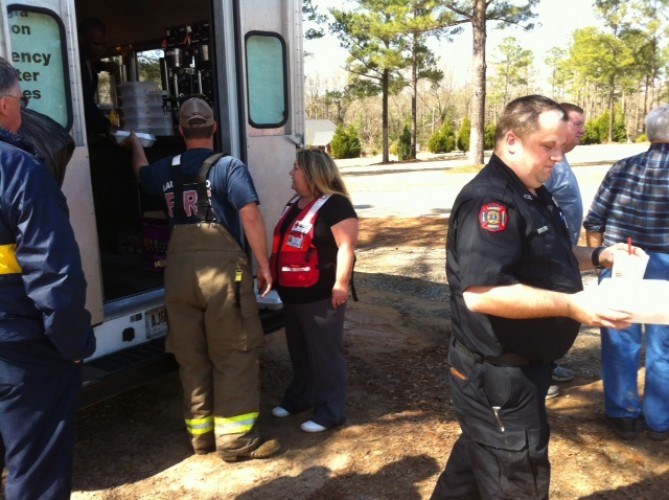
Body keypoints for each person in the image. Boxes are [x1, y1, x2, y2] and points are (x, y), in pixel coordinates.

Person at [431, 94, 641, 499]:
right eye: (548, 146)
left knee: (474, 468)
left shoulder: (532, 191)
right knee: (517, 479)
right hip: (497, 377)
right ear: (512, 141)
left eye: (562, 146)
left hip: (516, 374)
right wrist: (573, 306)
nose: (558, 157)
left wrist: (599, 255)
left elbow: (548, 258)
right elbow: (482, 293)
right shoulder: (492, 202)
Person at [126, 97, 279, 461]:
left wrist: (134, 144)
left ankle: (201, 438)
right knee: (233, 352)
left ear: (180, 131)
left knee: (191, 356)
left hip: (178, 271)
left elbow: (140, 172)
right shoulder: (229, 166)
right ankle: (236, 442)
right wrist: (264, 265)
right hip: (224, 271)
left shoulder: (163, 168)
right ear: (214, 128)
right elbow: (250, 215)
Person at [0, 57, 96, 498]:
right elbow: (55, 274)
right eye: (23, 99)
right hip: (22, 352)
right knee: (36, 473)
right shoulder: (19, 170)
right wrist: (74, 346)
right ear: (4, 106)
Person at [583, 104, 669, 442]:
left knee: (620, 340)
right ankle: (661, 420)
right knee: (666, 348)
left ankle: (623, 416)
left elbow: (595, 221)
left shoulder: (622, 168)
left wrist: (600, 267)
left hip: (623, 263)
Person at [270, 149, 358, 433]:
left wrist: (340, 284)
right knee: (299, 352)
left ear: (311, 173)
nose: (291, 173)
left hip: (320, 296)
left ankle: (331, 412)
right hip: (292, 295)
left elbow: (347, 247)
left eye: (296, 168)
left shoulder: (336, 205)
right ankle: (299, 398)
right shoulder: (295, 203)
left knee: (325, 355)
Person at [544, 103, 587, 397]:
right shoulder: (548, 163)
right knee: (544, 312)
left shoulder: (561, 160)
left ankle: (548, 363)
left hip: (563, 252)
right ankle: (541, 373)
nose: (582, 131)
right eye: (577, 124)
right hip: (547, 254)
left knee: (552, 318)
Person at [78, 17, 118, 136]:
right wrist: (106, 126)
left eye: (104, 45)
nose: (101, 49)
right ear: (80, 40)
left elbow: (89, 64)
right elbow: (86, 104)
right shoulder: (74, 65)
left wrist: (102, 65)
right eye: (96, 44)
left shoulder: (88, 62)